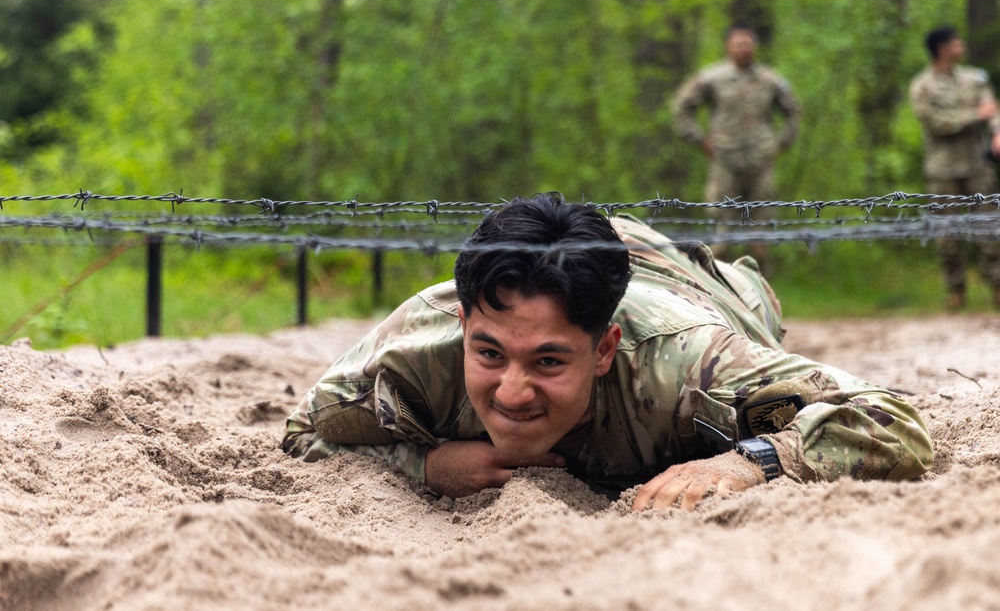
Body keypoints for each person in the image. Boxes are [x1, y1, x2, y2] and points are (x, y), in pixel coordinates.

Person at [283, 194, 932, 512]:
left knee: (752, 307)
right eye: (489, 353)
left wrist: (750, 462)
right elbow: (306, 429)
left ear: (603, 352)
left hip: (690, 291)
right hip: (600, 268)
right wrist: (424, 464)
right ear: (463, 322)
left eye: (547, 362)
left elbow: (890, 421)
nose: (511, 392)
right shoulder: (416, 354)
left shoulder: (689, 365)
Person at [671, 24, 801, 272]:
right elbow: (682, 107)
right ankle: (719, 288)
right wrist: (700, 140)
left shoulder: (770, 79)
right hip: (724, 161)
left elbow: (794, 111)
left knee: (760, 238)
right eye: (739, 44)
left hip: (760, 163)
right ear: (728, 46)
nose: (744, 49)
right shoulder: (711, 77)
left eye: (749, 44)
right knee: (721, 236)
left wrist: (780, 143)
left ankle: (761, 291)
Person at [908, 26, 1000, 310]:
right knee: (946, 232)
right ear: (942, 48)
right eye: (954, 41)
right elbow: (935, 122)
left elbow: (992, 110)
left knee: (989, 227)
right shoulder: (922, 86)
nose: (960, 44)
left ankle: (998, 286)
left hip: (977, 165)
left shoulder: (975, 78)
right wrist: (974, 115)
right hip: (943, 169)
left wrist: (997, 132)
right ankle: (955, 290)